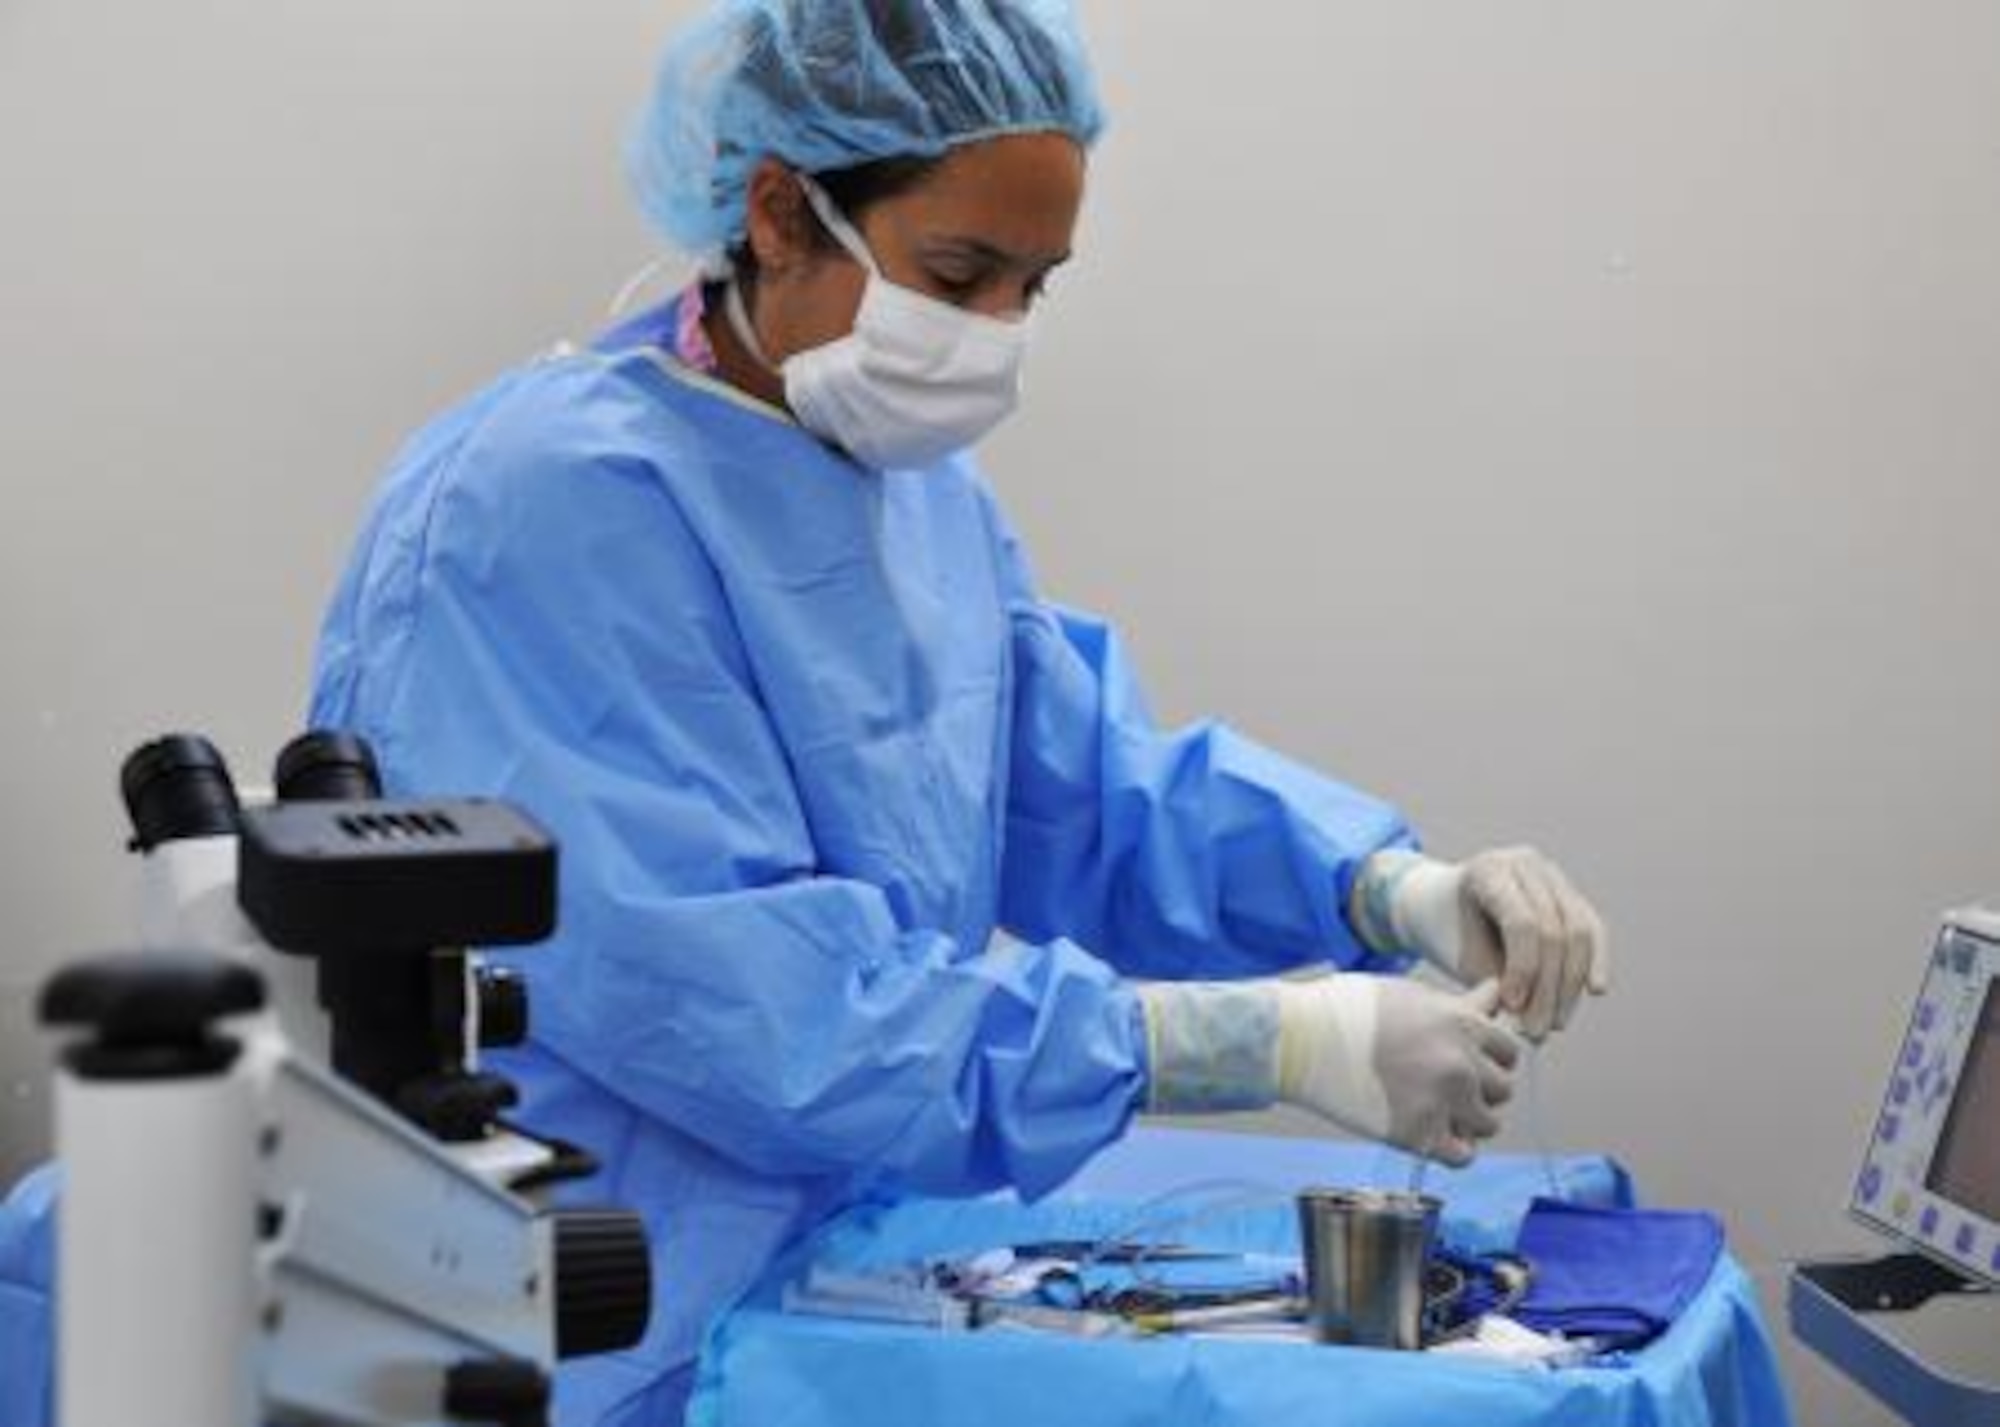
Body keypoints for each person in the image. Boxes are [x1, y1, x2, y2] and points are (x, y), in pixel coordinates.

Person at [310, 2, 1611, 1421]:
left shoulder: (906, 490)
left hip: (836, 1268)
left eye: (1033, 288)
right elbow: (766, 1017)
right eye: (959, 271)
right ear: (777, 213)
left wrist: (1384, 888)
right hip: (603, 1319)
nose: (992, 334)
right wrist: (1270, 1044)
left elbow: (1082, 790)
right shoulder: (542, 511)